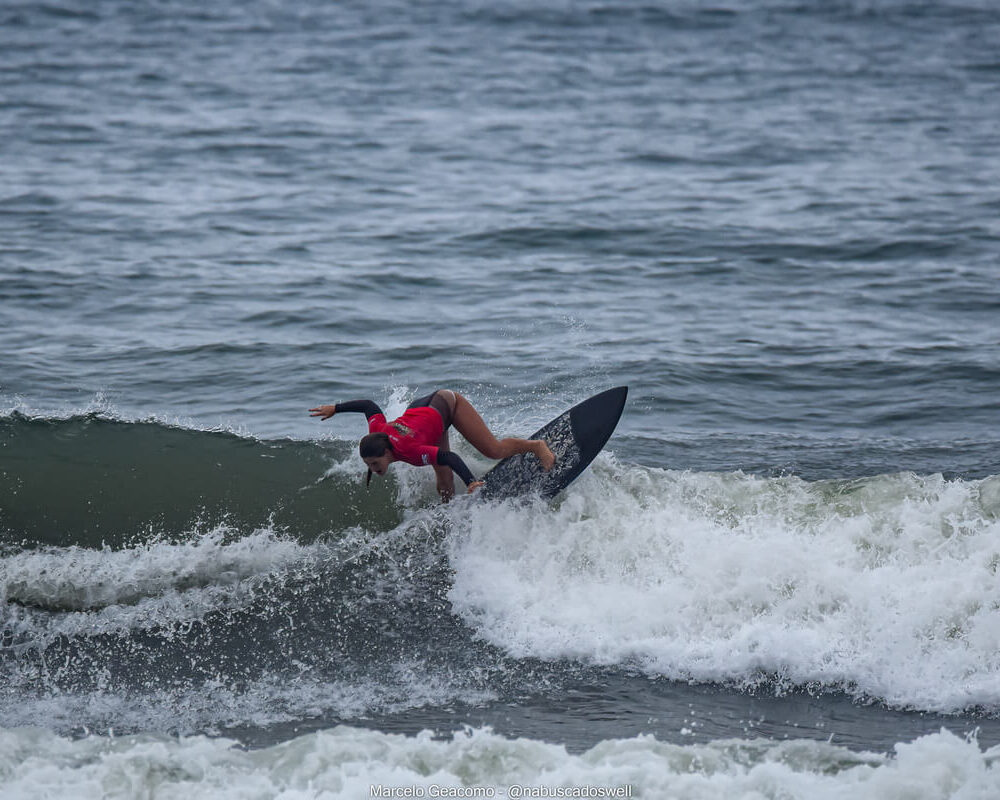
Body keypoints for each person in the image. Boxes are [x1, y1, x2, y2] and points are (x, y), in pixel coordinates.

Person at [309, 390, 555, 502]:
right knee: (445, 483)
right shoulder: (376, 434)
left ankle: (536, 446)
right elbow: (370, 407)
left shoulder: (411, 452)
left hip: (447, 404)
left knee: (492, 450)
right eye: (368, 465)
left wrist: (471, 481)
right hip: (423, 418)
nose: (373, 469)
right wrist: (336, 409)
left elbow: (449, 457)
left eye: (375, 463)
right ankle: (451, 513)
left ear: (386, 453)